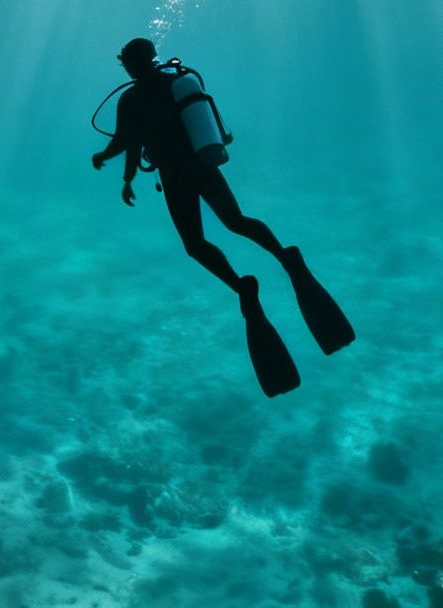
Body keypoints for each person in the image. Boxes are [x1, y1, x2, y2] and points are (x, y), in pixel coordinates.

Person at [90, 37, 353, 396]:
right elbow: (136, 139)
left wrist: (111, 163)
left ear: (130, 64)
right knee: (236, 221)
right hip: (202, 166)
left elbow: (127, 140)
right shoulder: (176, 85)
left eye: (127, 63)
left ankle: (242, 287)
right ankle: (285, 257)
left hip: (175, 175)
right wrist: (126, 176)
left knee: (195, 244)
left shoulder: (132, 98)